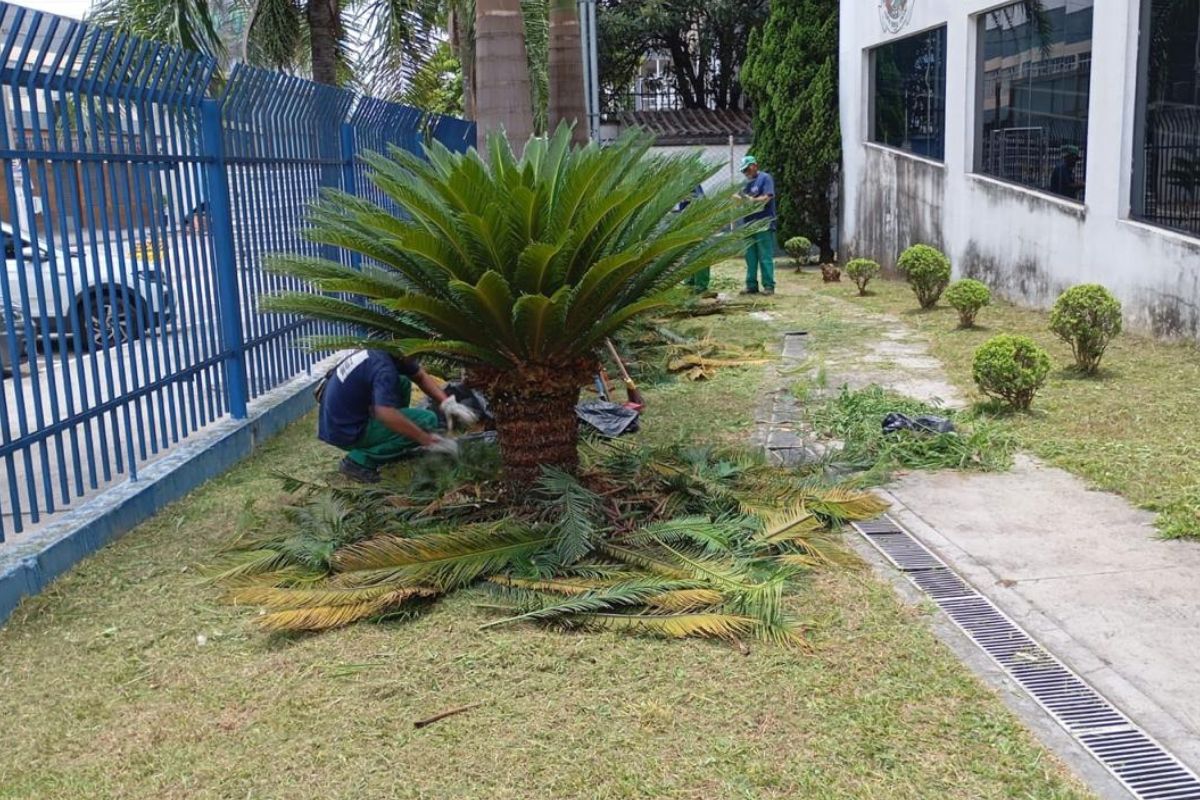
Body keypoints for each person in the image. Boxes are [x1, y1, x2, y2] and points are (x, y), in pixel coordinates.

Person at [318, 349, 479, 483]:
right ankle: (358, 461)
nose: (416, 359)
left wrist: (448, 403)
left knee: (402, 381)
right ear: (403, 353)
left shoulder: (384, 352)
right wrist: (426, 439)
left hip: (341, 417)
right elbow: (385, 414)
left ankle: (392, 435)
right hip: (346, 431)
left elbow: (420, 376)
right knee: (427, 420)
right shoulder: (384, 369)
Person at [737, 156, 777, 295]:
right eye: (744, 171)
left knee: (765, 256)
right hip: (748, 224)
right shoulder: (745, 183)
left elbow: (767, 197)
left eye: (747, 169)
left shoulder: (765, 178)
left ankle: (768, 286)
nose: (746, 173)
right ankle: (751, 285)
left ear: (754, 165)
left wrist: (751, 200)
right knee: (750, 257)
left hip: (763, 223)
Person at [679, 185, 712, 293]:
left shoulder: (693, 185)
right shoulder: (683, 182)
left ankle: (699, 285)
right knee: (689, 252)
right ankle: (690, 283)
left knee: (700, 252)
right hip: (688, 221)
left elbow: (699, 201)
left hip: (698, 221)